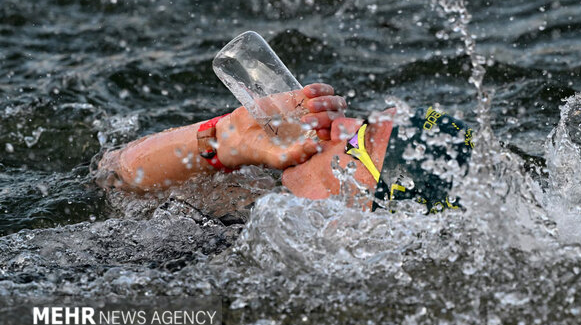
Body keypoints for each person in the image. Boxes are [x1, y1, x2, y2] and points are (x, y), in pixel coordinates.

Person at [97, 83, 473, 213]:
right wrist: (226, 137)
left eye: (358, 140)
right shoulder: (257, 195)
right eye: (360, 120)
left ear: (365, 199)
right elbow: (112, 174)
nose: (340, 122)